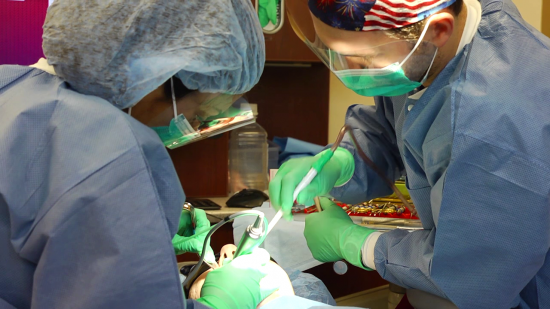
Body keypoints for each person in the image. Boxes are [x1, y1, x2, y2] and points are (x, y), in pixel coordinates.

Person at [270, 0, 550, 308]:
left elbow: (472, 273)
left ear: (438, 30)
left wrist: (356, 243)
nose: (352, 73)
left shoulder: (499, 120)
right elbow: (401, 128)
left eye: (364, 60)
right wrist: (344, 164)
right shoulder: (430, 50)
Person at [0, 0, 278, 308]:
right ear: (156, 78)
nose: (196, 125)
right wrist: (220, 303)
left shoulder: (13, 88)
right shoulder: (111, 151)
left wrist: (139, 238)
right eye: (200, 110)